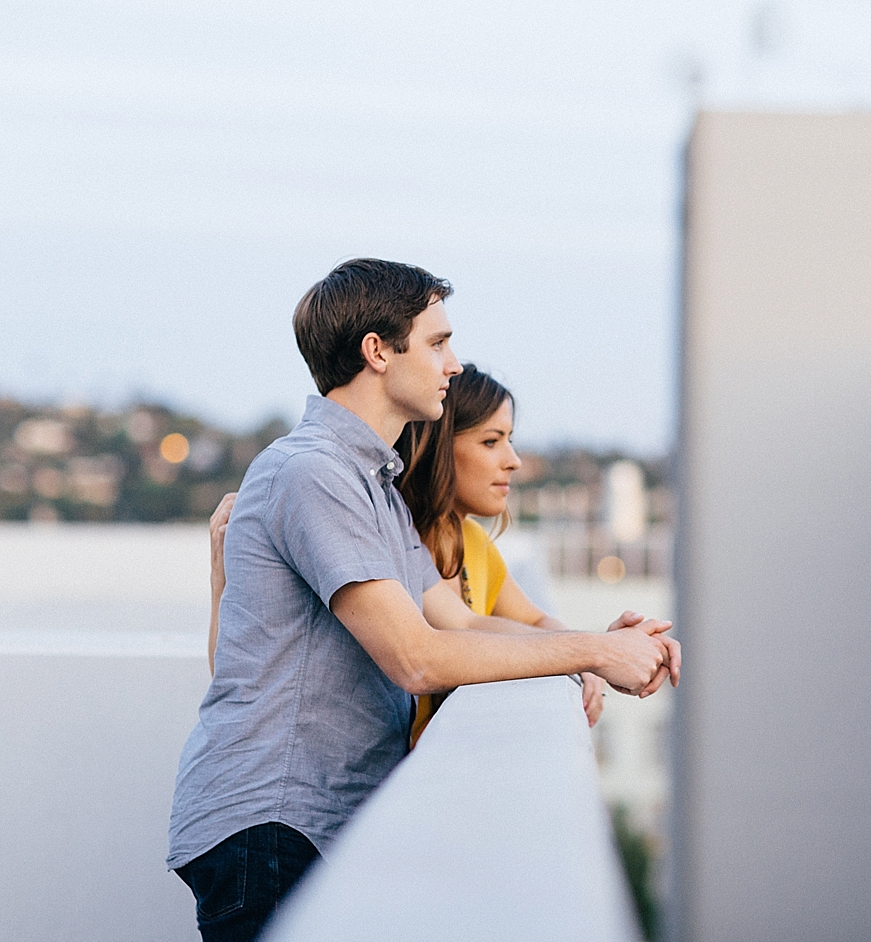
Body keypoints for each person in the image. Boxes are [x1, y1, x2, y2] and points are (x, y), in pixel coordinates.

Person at [169, 259, 679, 942]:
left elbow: (459, 619)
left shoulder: (370, 484)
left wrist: (593, 643)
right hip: (274, 824)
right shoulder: (312, 471)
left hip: (308, 823)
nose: (454, 363)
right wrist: (591, 650)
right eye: (437, 343)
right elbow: (416, 658)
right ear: (377, 352)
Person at [206, 364, 623, 737]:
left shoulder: (472, 543)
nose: (513, 460)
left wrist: (590, 652)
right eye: (491, 441)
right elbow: (425, 654)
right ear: (442, 446)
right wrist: (590, 652)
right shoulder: (388, 536)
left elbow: (512, 620)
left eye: (509, 440)